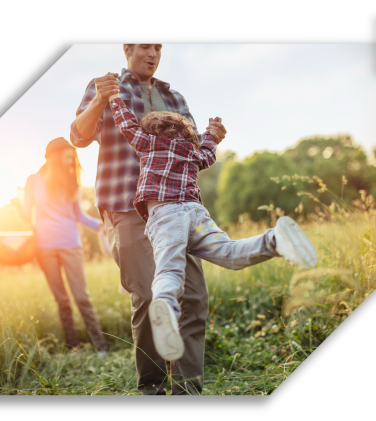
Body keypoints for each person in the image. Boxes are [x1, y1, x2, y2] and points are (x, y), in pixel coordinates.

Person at [107, 93, 318, 361]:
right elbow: (208, 152)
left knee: (170, 268)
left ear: (151, 130)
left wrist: (115, 98)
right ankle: (274, 240)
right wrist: (211, 134)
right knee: (229, 253)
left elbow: (127, 124)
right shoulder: (192, 151)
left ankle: (166, 307)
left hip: (166, 215)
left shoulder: (148, 142)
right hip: (196, 214)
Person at [70, 43, 227, 396]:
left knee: (193, 297)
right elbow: (78, 137)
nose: (153, 53)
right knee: (148, 296)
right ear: (128, 49)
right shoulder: (106, 85)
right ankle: (152, 388)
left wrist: (211, 137)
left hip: (174, 208)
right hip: (124, 205)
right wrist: (99, 99)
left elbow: (191, 151)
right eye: (145, 46)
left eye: (158, 47)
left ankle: (188, 390)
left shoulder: (175, 97)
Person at [17, 137, 109, 355]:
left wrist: (101, 225)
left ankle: (101, 347)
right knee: (62, 301)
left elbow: (78, 215)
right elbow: (26, 214)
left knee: (81, 298)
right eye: (67, 157)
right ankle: (73, 347)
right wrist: (18, 211)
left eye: (72, 158)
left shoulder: (71, 182)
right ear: (54, 157)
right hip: (44, 248)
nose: (70, 162)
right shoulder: (33, 181)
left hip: (71, 245)